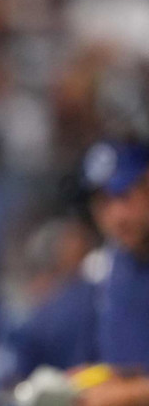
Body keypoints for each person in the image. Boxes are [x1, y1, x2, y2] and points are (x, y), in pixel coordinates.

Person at [71, 139, 149, 406]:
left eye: (124, 196)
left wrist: (130, 394)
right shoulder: (112, 269)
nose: (117, 215)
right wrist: (93, 379)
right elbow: (134, 366)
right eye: (103, 202)